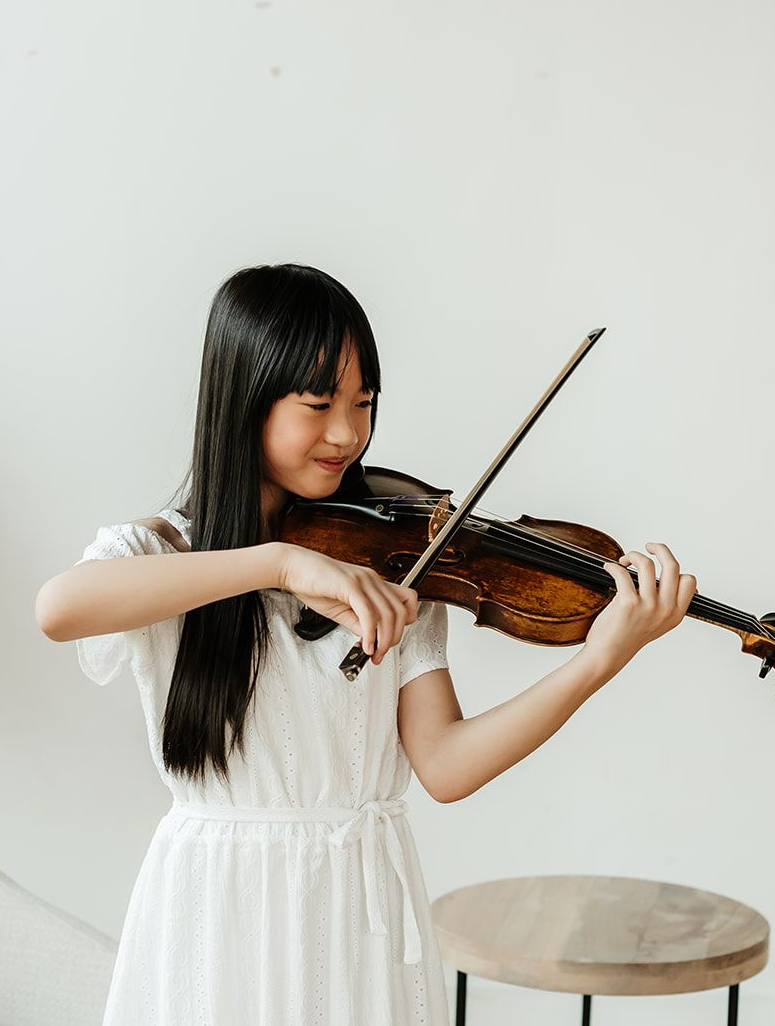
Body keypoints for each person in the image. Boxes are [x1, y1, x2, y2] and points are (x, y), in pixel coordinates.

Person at [34, 263, 696, 1025]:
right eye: (318, 403)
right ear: (244, 400)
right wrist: (280, 562)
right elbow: (60, 608)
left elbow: (445, 766)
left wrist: (598, 661)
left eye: (364, 402)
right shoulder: (165, 554)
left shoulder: (397, 559)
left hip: (361, 906)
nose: (348, 433)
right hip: (220, 909)